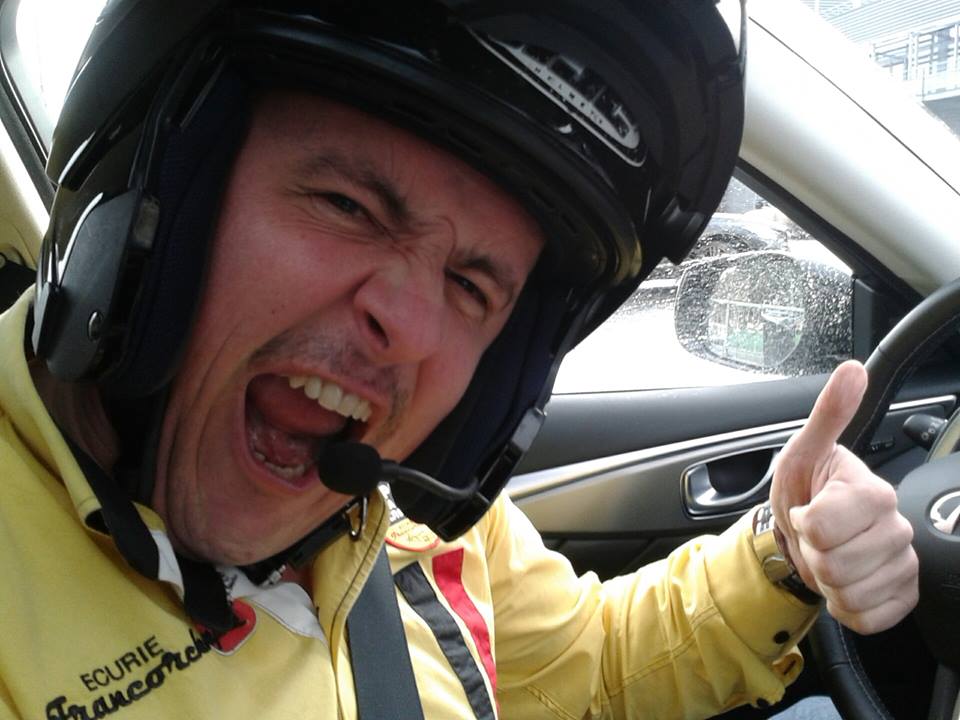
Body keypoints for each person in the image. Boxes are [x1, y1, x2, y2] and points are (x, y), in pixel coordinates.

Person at [0, 1, 917, 718]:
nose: (409, 326)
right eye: (348, 206)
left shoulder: (398, 504)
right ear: (158, 195)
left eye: (472, 285)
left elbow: (590, 669)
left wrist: (781, 557)